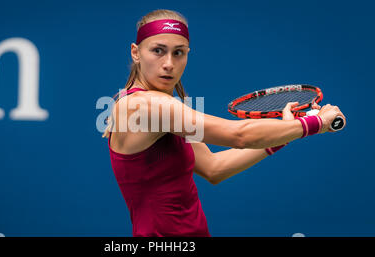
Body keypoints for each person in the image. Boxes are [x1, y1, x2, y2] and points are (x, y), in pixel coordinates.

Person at [103, 9, 346, 237]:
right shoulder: (144, 106)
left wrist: (285, 134)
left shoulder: (165, 109)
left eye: (179, 52)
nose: (169, 63)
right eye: (158, 50)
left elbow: (214, 167)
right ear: (136, 52)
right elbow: (238, 134)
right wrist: (315, 124)